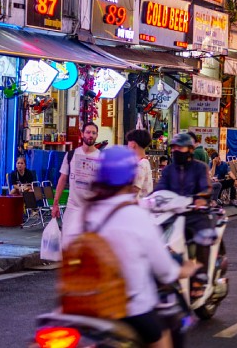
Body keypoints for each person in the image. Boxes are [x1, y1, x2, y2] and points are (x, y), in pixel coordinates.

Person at [82, 146, 197, 348]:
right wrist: (182, 269)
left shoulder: (89, 211)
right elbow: (164, 268)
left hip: (89, 306)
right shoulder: (135, 215)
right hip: (131, 307)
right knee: (163, 338)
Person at [156, 132, 213, 297]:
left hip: (194, 213)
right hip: (172, 214)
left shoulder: (200, 168)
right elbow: (160, 189)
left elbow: (206, 188)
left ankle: (200, 277)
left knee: (203, 235)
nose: (176, 151)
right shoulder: (168, 170)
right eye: (174, 148)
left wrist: (200, 199)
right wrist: (150, 200)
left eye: (180, 148)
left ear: (190, 150)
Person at [52, 122, 103, 244]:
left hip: (92, 210)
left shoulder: (102, 158)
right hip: (73, 207)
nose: (91, 135)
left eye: (94, 133)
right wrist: (55, 204)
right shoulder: (71, 155)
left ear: (97, 136)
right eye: (88, 132)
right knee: (67, 243)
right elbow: (62, 179)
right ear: (82, 134)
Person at [125, 129, 154, 200]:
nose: (127, 146)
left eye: (128, 142)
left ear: (133, 144)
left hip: (139, 204)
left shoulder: (141, 164)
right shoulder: (144, 162)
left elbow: (135, 189)